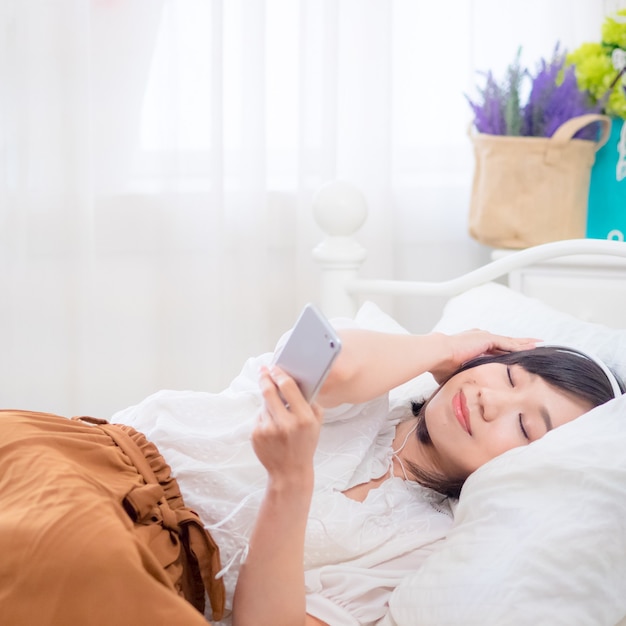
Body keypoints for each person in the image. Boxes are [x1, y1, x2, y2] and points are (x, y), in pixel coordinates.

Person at [0, 326, 621, 626]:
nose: (491, 399)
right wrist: (446, 346)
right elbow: (328, 357)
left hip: (149, 581)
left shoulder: (426, 550)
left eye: (526, 428)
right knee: (66, 547)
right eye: (509, 375)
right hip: (78, 466)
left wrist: (290, 486)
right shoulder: (371, 391)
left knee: (79, 565)